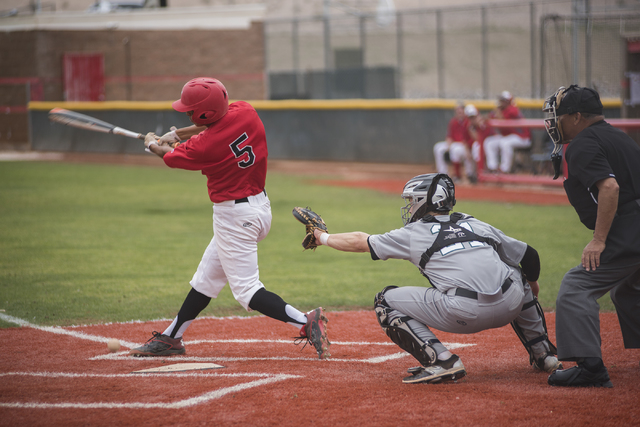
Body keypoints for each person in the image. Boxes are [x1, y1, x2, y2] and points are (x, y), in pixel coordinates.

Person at [129, 77, 330, 359]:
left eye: (190, 110)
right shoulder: (245, 111)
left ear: (204, 112)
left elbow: (169, 156)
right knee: (206, 278)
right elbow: (207, 129)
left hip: (235, 217)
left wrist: (152, 143)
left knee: (247, 292)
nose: (187, 113)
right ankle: (171, 338)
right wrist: (178, 134)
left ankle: (305, 321)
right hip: (259, 207)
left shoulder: (205, 146)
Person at [311, 173, 561, 384]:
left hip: (465, 312)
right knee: (516, 274)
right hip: (512, 304)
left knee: (384, 301)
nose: (409, 206)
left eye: (412, 200)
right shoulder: (474, 223)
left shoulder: (413, 232)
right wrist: (532, 287)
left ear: (425, 200)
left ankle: (442, 360)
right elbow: (529, 255)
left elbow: (359, 241)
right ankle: (544, 355)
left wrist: (321, 236)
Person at [542, 85, 640, 387]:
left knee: (576, 286)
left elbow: (609, 188)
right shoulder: (619, 136)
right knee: (627, 289)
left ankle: (590, 369)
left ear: (577, 116)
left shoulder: (584, 142)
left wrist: (599, 239)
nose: (554, 123)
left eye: (559, 116)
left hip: (631, 229)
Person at [483, 91, 531, 174]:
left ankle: (505, 170)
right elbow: (487, 116)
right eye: (501, 100)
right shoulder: (502, 109)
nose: (501, 102)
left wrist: (497, 111)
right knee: (489, 142)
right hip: (510, 137)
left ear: (508, 101)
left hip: (523, 138)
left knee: (505, 143)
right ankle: (492, 168)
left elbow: (502, 120)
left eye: (503, 100)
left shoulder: (513, 109)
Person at [433, 103, 476, 183]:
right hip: (454, 144)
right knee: (438, 147)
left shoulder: (467, 122)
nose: (459, 114)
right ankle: (443, 174)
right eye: (457, 112)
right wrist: (448, 147)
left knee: (455, 149)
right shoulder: (453, 121)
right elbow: (449, 136)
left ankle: (457, 176)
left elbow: (466, 139)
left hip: (463, 145)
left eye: (461, 112)